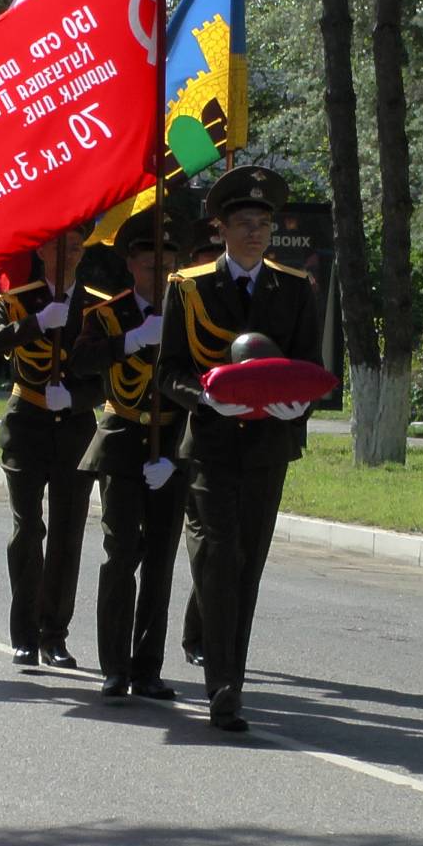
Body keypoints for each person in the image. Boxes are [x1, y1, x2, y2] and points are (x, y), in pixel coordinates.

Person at [156, 165, 321, 732]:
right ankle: (224, 688)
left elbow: (313, 370)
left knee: (245, 566)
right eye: (244, 222)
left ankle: (222, 658)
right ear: (220, 229)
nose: (255, 232)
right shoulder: (190, 286)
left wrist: (298, 406)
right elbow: (169, 372)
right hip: (211, 445)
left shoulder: (295, 289)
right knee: (219, 556)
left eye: (263, 222)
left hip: (268, 449)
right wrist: (207, 400)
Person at [0, 224, 109, 669]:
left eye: (74, 247)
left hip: (74, 429)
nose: (66, 255)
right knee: (28, 530)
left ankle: (55, 633)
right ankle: (25, 633)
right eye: (58, 246)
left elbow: (111, 376)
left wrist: (75, 397)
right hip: (26, 425)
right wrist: (34, 324)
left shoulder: (98, 309)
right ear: (40, 250)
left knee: (68, 534)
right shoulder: (17, 300)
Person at [79, 217, 184, 700]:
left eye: (167, 264)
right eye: (149, 264)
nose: (159, 273)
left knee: (160, 562)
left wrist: (177, 454)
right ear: (131, 266)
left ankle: (148, 667)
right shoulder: (106, 315)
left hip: (172, 445)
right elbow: (81, 361)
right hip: (122, 440)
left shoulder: (190, 313)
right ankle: (114, 666)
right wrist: (134, 340)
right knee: (121, 555)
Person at [177, 214, 226, 669]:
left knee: (217, 542)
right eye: (204, 261)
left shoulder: (242, 302)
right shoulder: (183, 298)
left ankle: (201, 630)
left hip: (227, 438)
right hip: (178, 433)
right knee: (203, 540)